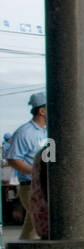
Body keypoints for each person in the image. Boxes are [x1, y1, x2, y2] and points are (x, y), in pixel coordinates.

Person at [7, 91, 49, 239]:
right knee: (36, 221)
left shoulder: (46, 132)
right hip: (29, 185)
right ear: (42, 110)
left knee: (33, 223)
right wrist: (35, 172)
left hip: (43, 184)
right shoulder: (25, 132)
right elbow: (13, 159)